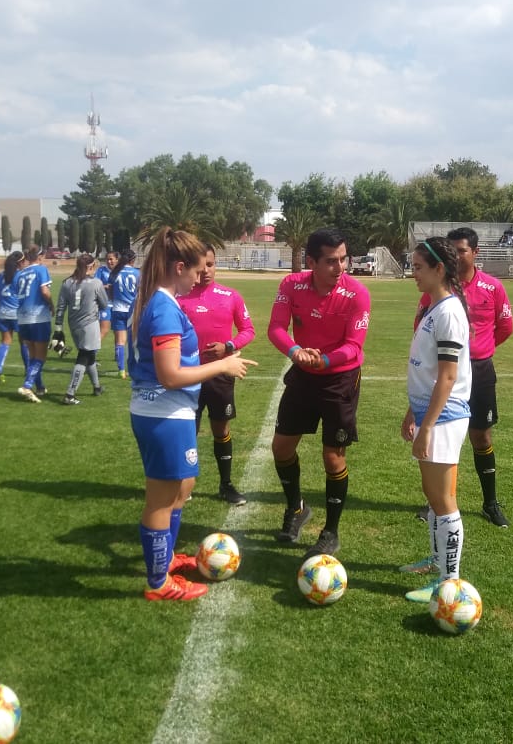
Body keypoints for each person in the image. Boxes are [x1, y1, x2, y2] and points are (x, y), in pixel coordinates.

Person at [129, 227, 256, 601]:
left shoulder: (162, 300)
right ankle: (158, 583)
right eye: (197, 270)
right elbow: (169, 375)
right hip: (162, 414)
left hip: (173, 412)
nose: (201, 277)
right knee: (161, 499)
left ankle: (165, 559)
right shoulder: (165, 307)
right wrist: (222, 366)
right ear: (179, 266)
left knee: (183, 488)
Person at [267, 228, 371, 558]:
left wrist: (323, 359)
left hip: (340, 378)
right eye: (331, 261)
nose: (340, 267)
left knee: (333, 456)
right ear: (311, 261)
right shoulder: (291, 285)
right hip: (303, 374)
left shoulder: (357, 294)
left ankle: (330, 531)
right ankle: (297, 508)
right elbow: (276, 328)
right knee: (281, 448)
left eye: (343, 259)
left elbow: (354, 347)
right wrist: (296, 352)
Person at [415, 226, 513, 527]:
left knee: (480, 435)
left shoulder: (492, 287)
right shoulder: (439, 290)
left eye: (462, 250)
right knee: (444, 439)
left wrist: (480, 350)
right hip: (445, 376)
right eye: (453, 250)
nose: (457, 256)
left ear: (475, 252)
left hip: (478, 370)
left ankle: (490, 502)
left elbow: (505, 326)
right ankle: (438, 503)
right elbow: (422, 327)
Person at [399, 237, 473, 602]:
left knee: (443, 499)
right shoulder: (435, 307)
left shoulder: (448, 312)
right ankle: (435, 561)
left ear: (438, 270)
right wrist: (412, 411)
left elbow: (447, 376)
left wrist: (427, 425)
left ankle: (449, 581)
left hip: (444, 418)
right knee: (432, 495)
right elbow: (426, 371)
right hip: (431, 413)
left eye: (417, 267)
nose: (412, 273)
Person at [177, 244, 256, 505]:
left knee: (221, 428)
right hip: (187, 374)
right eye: (202, 266)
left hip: (220, 374)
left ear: (216, 264)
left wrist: (228, 346)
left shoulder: (230, 296)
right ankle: (183, 485)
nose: (206, 271)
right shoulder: (179, 297)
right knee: (189, 429)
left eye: (211, 264)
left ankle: (226, 484)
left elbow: (248, 330)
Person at [54, 253, 109, 404]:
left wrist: (58, 328)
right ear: (90, 267)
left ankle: (97, 387)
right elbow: (104, 304)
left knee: (89, 354)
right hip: (89, 324)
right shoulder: (96, 283)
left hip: (74, 325)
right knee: (84, 356)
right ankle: (69, 394)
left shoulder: (67, 283)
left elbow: (60, 307)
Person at [15, 245, 53, 402]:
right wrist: (51, 304)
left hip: (23, 318)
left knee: (32, 355)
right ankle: (27, 385)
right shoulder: (41, 269)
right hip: (38, 317)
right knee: (41, 355)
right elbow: (44, 291)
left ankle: (39, 387)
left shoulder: (20, 273)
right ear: (40, 256)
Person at [0, 250, 26, 383]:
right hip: (17, 314)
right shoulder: (20, 276)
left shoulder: (1, 275)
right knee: (24, 342)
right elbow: (24, 296)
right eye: (24, 261)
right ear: (20, 263)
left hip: (2, 313)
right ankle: (29, 369)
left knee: (5, 342)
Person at [111, 251, 141, 379]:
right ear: (133, 260)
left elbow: (111, 291)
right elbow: (140, 293)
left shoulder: (115, 272)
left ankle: (121, 371)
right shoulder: (137, 273)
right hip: (132, 310)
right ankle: (135, 368)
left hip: (117, 309)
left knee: (120, 341)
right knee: (134, 340)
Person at [95, 250, 118, 344]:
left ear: (117, 260)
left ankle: (118, 356)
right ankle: (92, 354)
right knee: (104, 330)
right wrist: (105, 287)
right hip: (105, 304)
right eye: (107, 259)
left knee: (118, 331)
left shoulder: (121, 271)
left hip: (118, 305)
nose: (109, 261)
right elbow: (95, 285)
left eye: (111, 259)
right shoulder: (101, 270)